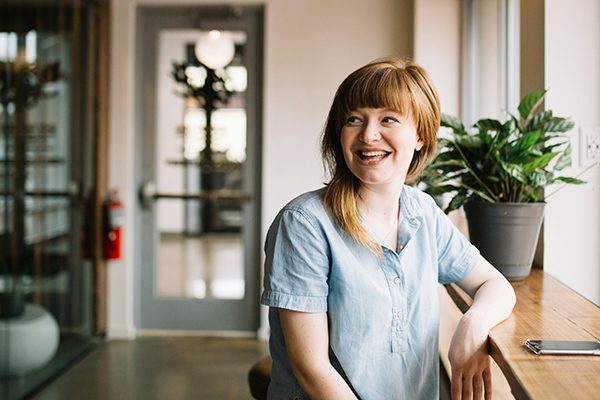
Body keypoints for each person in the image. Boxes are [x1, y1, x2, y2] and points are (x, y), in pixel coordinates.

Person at [261, 57, 516, 400]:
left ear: (421, 136)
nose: (368, 135)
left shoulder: (423, 212)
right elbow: (312, 370)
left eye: (388, 119)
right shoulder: (304, 223)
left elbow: (494, 284)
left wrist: (473, 324)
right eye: (354, 119)